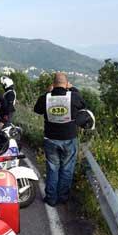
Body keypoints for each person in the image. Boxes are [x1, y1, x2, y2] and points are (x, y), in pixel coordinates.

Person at [34, 72, 86, 206]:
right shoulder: (73, 96)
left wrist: (47, 93)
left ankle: (51, 198)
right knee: (67, 168)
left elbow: (37, 110)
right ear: (66, 84)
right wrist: (73, 88)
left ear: (53, 84)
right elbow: (83, 104)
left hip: (50, 139)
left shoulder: (45, 98)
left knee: (52, 168)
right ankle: (63, 197)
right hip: (69, 138)